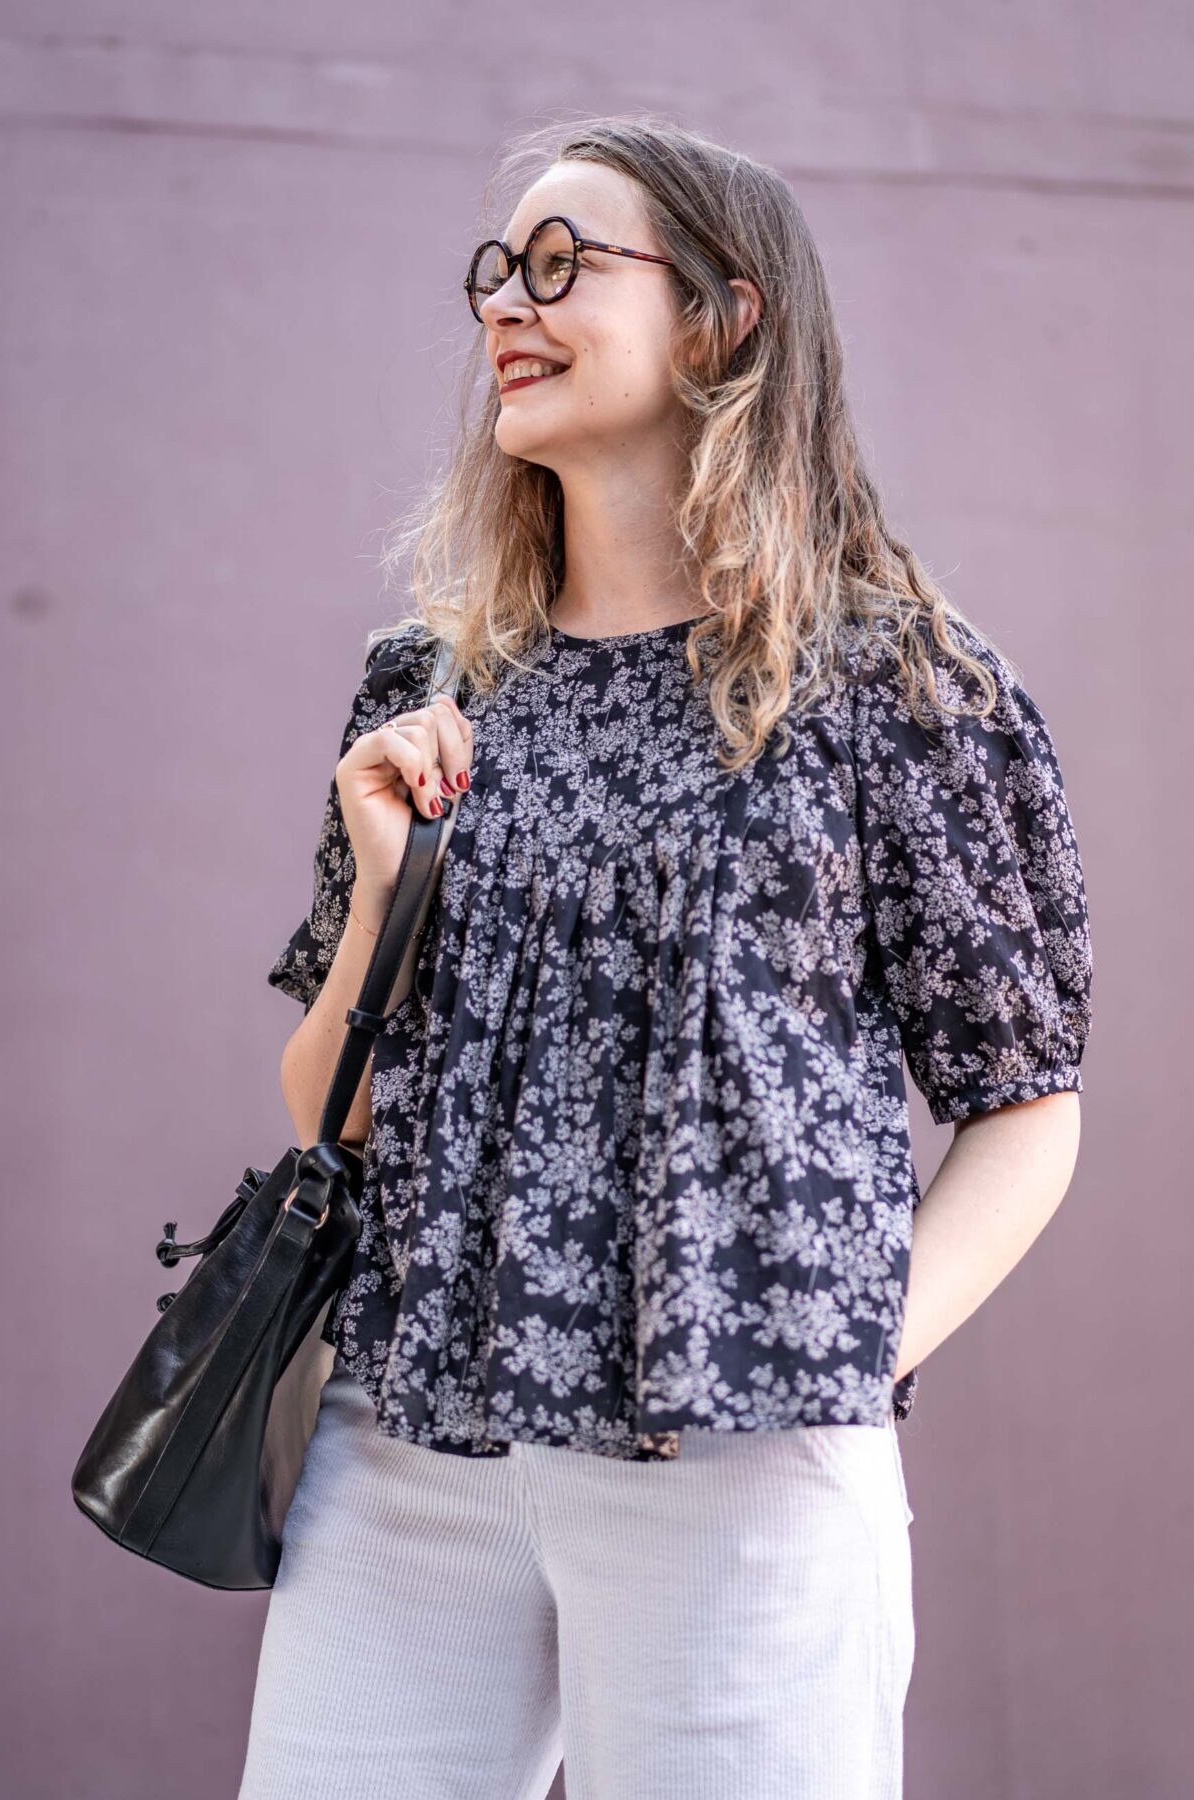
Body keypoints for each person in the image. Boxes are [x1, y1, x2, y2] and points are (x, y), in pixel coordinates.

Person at [237, 115, 1093, 1800]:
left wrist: (850, 1357)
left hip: (738, 1456)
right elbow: (324, 1105)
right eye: (499, 268)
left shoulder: (897, 685)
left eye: (566, 265)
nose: (510, 303)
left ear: (723, 319)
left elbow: (1029, 1106)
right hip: (412, 1437)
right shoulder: (430, 678)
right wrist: (384, 890)